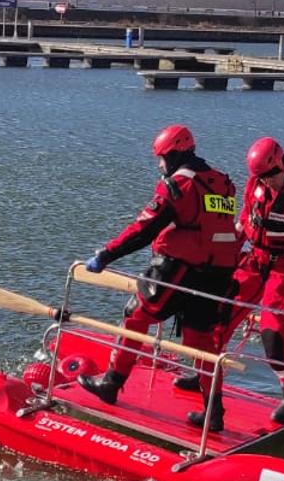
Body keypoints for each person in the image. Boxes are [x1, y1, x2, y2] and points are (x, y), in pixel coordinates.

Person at [79, 125, 242, 421]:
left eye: (162, 158)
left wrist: (106, 254)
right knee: (201, 340)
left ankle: (111, 383)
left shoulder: (178, 186)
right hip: (218, 273)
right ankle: (213, 411)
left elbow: (144, 230)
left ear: (176, 153)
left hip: (182, 268)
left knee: (136, 315)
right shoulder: (221, 181)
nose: (159, 164)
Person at [191, 137, 284, 430]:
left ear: (281, 163)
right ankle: (207, 381)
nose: (269, 183)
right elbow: (245, 221)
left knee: (274, 329)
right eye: (263, 178)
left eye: (271, 176)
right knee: (214, 316)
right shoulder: (257, 184)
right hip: (255, 259)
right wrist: (221, 251)